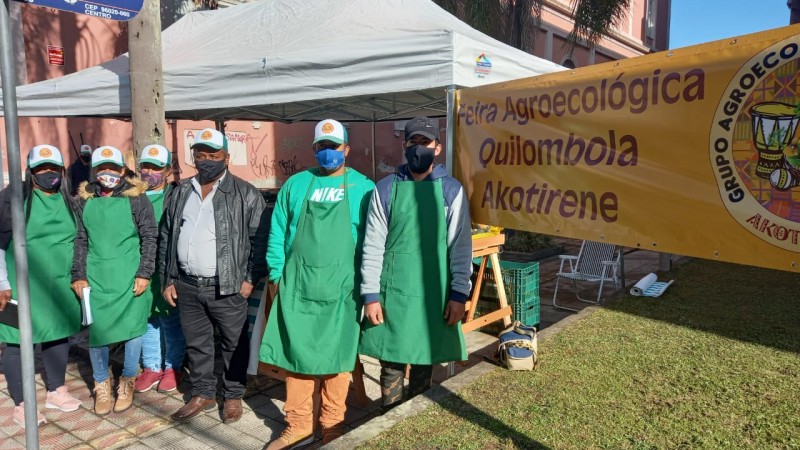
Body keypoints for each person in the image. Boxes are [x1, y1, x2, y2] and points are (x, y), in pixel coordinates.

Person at [261, 119, 375, 450]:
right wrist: (276, 275)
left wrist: (368, 287)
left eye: (334, 146)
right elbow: (278, 232)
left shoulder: (363, 188)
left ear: (346, 149)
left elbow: (372, 241)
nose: (328, 152)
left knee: (337, 358)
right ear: (314, 150)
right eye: (322, 147)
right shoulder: (295, 185)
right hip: (297, 288)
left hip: (343, 289)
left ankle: (332, 425)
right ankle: (297, 425)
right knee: (297, 356)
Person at [359, 116, 472, 413]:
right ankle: (388, 421)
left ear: (437, 148)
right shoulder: (384, 189)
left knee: (424, 363)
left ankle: (414, 421)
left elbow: (460, 247)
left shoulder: (452, 191)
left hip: (433, 295)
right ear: (404, 145)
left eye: (426, 142)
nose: (419, 148)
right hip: (392, 294)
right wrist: (370, 296)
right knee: (391, 363)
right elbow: (373, 245)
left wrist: (459, 295)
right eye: (414, 142)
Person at [159, 128, 269, 423]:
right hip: (187, 283)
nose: (206, 160)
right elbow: (167, 236)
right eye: (200, 155)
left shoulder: (245, 193)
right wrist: (167, 278)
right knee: (197, 342)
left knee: (233, 343)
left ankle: (233, 395)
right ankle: (203, 392)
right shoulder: (181, 191)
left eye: (213, 155)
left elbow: (260, 240)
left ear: (226, 158)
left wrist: (249, 279)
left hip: (229, 285)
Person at [0, 145, 83, 428]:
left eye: (52, 168)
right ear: (30, 172)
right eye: (40, 169)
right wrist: (1, 283)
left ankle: (56, 391)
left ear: (61, 170)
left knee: (58, 336)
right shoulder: (12, 199)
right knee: (15, 341)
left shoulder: (71, 202)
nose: (47, 174)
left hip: (58, 284)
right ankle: (22, 404)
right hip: (17, 284)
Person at [71, 146, 157, 415]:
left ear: (122, 171)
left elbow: (150, 237)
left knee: (132, 331)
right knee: (97, 333)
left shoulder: (136, 199)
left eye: (113, 168)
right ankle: (101, 385)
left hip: (130, 275)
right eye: (102, 168)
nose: (108, 173)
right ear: (94, 172)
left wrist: (145, 272)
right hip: (96, 277)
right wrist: (78, 275)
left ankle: (127, 381)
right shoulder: (84, 200)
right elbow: (80, 240)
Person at [133, 144, 186, 394]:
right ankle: (151, 366)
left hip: (166, 269)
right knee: (147, 320)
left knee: (170, 320)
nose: (150, 171)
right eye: (146, 166)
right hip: (140, 269)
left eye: (157, 167)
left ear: (168, 170)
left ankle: (172, 365)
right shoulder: (132, 197)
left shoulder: (177, 196)